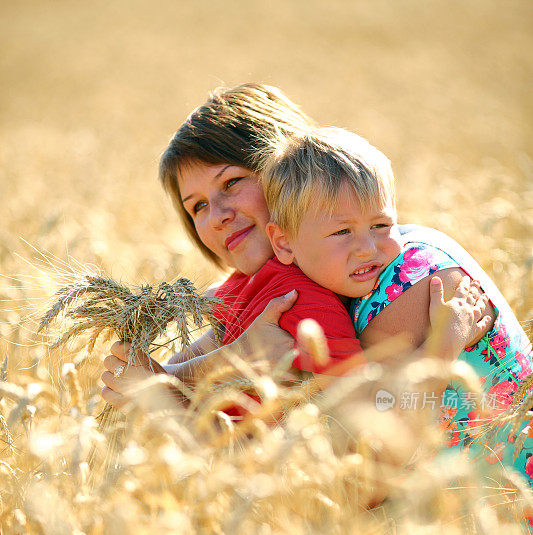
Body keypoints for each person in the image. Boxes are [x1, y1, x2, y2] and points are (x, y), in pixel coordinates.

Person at [101, 83, 489, 407]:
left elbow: (373, 437)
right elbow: (168, 375)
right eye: (198, 206)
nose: (216, 214)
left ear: (289, 169)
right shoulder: (259, 286)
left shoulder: (406, 273)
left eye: (231, 182)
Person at [258, 126, 533, 500]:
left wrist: (445, 343)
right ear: (283, 241)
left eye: (380, 225)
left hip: (509, 495)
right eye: (342, 232)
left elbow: (390, 433)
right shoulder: (412, 250)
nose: (367, 247)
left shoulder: (400, 293)